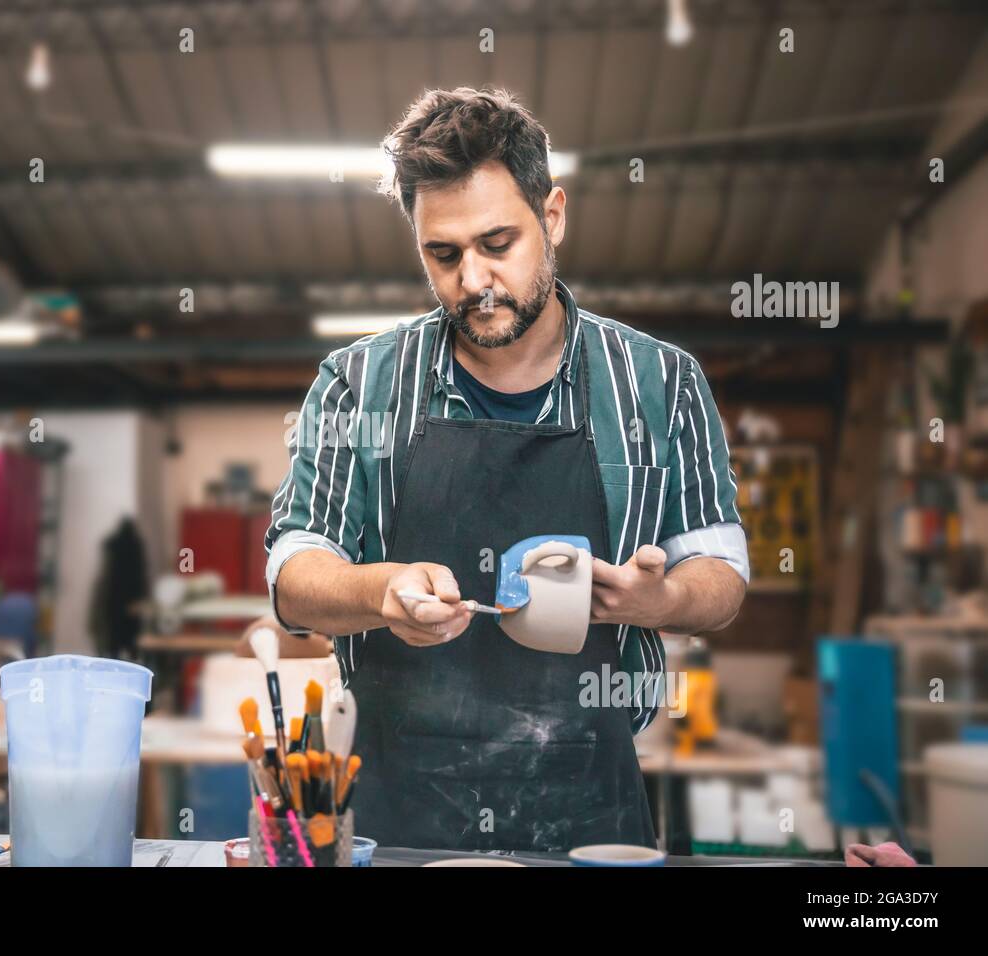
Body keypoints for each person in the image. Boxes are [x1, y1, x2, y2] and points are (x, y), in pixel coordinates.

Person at [264, 88, 748, 853]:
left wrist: (661, 599)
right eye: (444, 254)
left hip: (592, 802)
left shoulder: (659, 382)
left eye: (499, 243)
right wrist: (377, 590)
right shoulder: (359, 383)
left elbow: (721, 576)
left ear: (552, 216)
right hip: (400, 808)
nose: (473, 280)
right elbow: (294, 574)